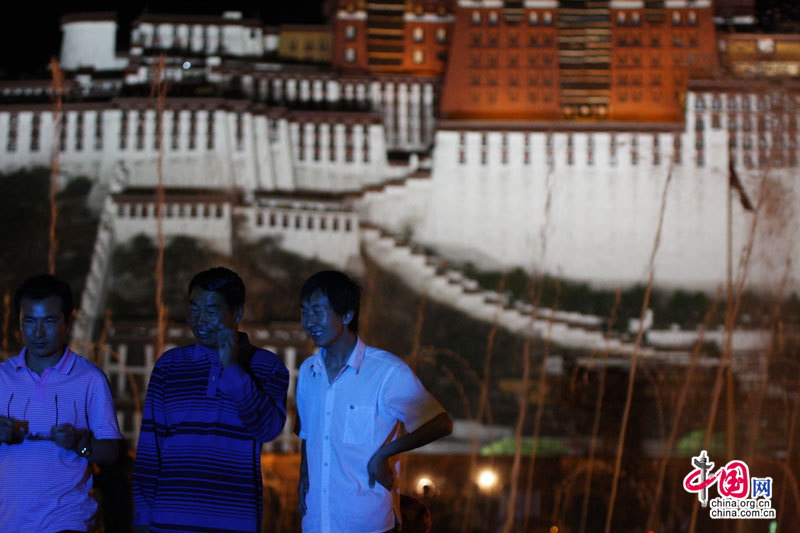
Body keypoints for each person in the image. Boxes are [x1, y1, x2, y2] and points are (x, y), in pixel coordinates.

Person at [133, 267, 289, 533]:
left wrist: (232, 369)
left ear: (237, 313)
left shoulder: (268, 367)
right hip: (169, 522)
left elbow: (267, 430)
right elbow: (150, 449)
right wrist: (142, 517)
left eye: (211, 310)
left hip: (234, 522)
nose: (200, 320)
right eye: (194, 309)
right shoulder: (169, 366)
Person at [296, 270, 453, 533]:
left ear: (347, 315)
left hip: (368, 523)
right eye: (304, 312)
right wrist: (303, 474)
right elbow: (307, 431)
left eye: (317, 312)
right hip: (316, 522)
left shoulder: (386, 371)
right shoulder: (308, 371)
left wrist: (383, 454)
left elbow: (440, 423)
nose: (309, 321)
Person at [0, 274, 121, 532]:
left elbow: (111, 453)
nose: (38, 332)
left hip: (67, 520)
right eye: (29, 321)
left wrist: (80, 443)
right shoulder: (2, 377)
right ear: (19, 323)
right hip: (10, 519)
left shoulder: (90, 379)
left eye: (49, 321)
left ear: (67, 320)